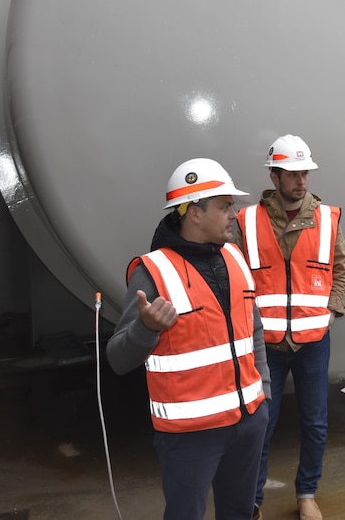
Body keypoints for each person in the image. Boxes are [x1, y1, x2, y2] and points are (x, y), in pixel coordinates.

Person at [107, 158, 271, 520]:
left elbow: (254, 330)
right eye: (225, 206)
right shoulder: (153, 272)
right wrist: (146, 328)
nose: (234, 214)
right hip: (190, 435)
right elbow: (118, 359)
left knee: (239, 512)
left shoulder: (235, 257)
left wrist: (264, 396)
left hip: (248, 422)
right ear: (194, 213)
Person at [237, 135, 345, 520]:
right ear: (274, 176)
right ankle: (252, 501)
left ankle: (306, 495)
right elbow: (234, 276)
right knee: (259, 426)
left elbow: (341, 272)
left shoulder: (327, 218)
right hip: (266, 343)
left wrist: (330, 312)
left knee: (315, 421)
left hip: (313, 342)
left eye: (305, 173)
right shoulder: (247, 222)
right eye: (292, 174)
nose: (301, 181)